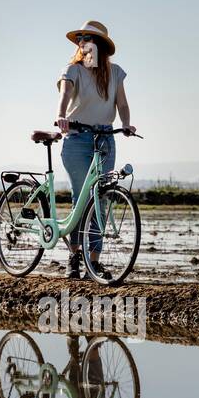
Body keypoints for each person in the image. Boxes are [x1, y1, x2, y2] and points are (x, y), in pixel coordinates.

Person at [55, 20, 135, 279]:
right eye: (80, 39)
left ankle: (94, 262)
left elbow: (122, 104)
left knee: (100, 201)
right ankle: (74, 257)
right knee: (81, 199)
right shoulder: (74, 70)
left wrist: (125, 124)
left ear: (99, 45)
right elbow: (64, 95)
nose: (81, 43)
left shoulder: (116, 73)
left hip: (104, 139)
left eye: (86, 38)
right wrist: (60, 115)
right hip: (77, 138)